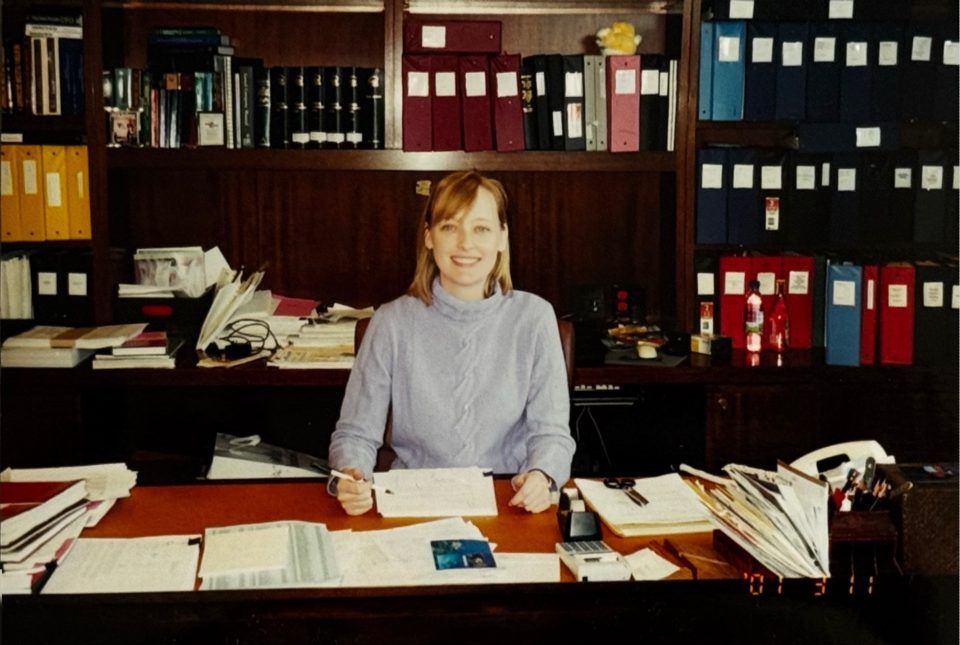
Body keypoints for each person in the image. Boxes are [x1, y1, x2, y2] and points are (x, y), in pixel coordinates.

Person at [328, 170, 575, 516]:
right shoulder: (392, 322)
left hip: (506, 501)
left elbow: (551, 435)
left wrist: (542, 475)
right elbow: (355, 434)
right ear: (429, 237)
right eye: (449, 227)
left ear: (503, 237)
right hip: (413, 505)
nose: (466, 244)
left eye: (481, 228)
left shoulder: (534, 318)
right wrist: (350, 476)